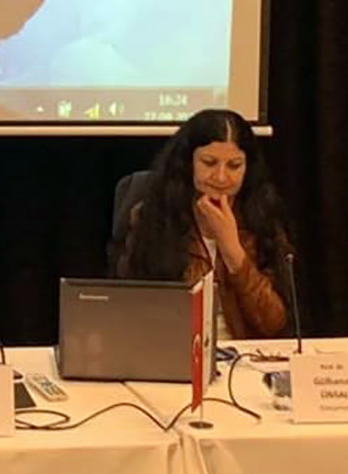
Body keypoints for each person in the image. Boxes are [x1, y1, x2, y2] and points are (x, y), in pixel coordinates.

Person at [112, 109, 292, 339]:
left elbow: (275, 324)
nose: (221, 177)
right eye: (209, 163)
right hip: (176, 349)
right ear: (189, 163)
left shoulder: (263, 216)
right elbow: (134, 311)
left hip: (246, 353)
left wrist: (233, 252)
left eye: (234, 165)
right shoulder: (153, 216)